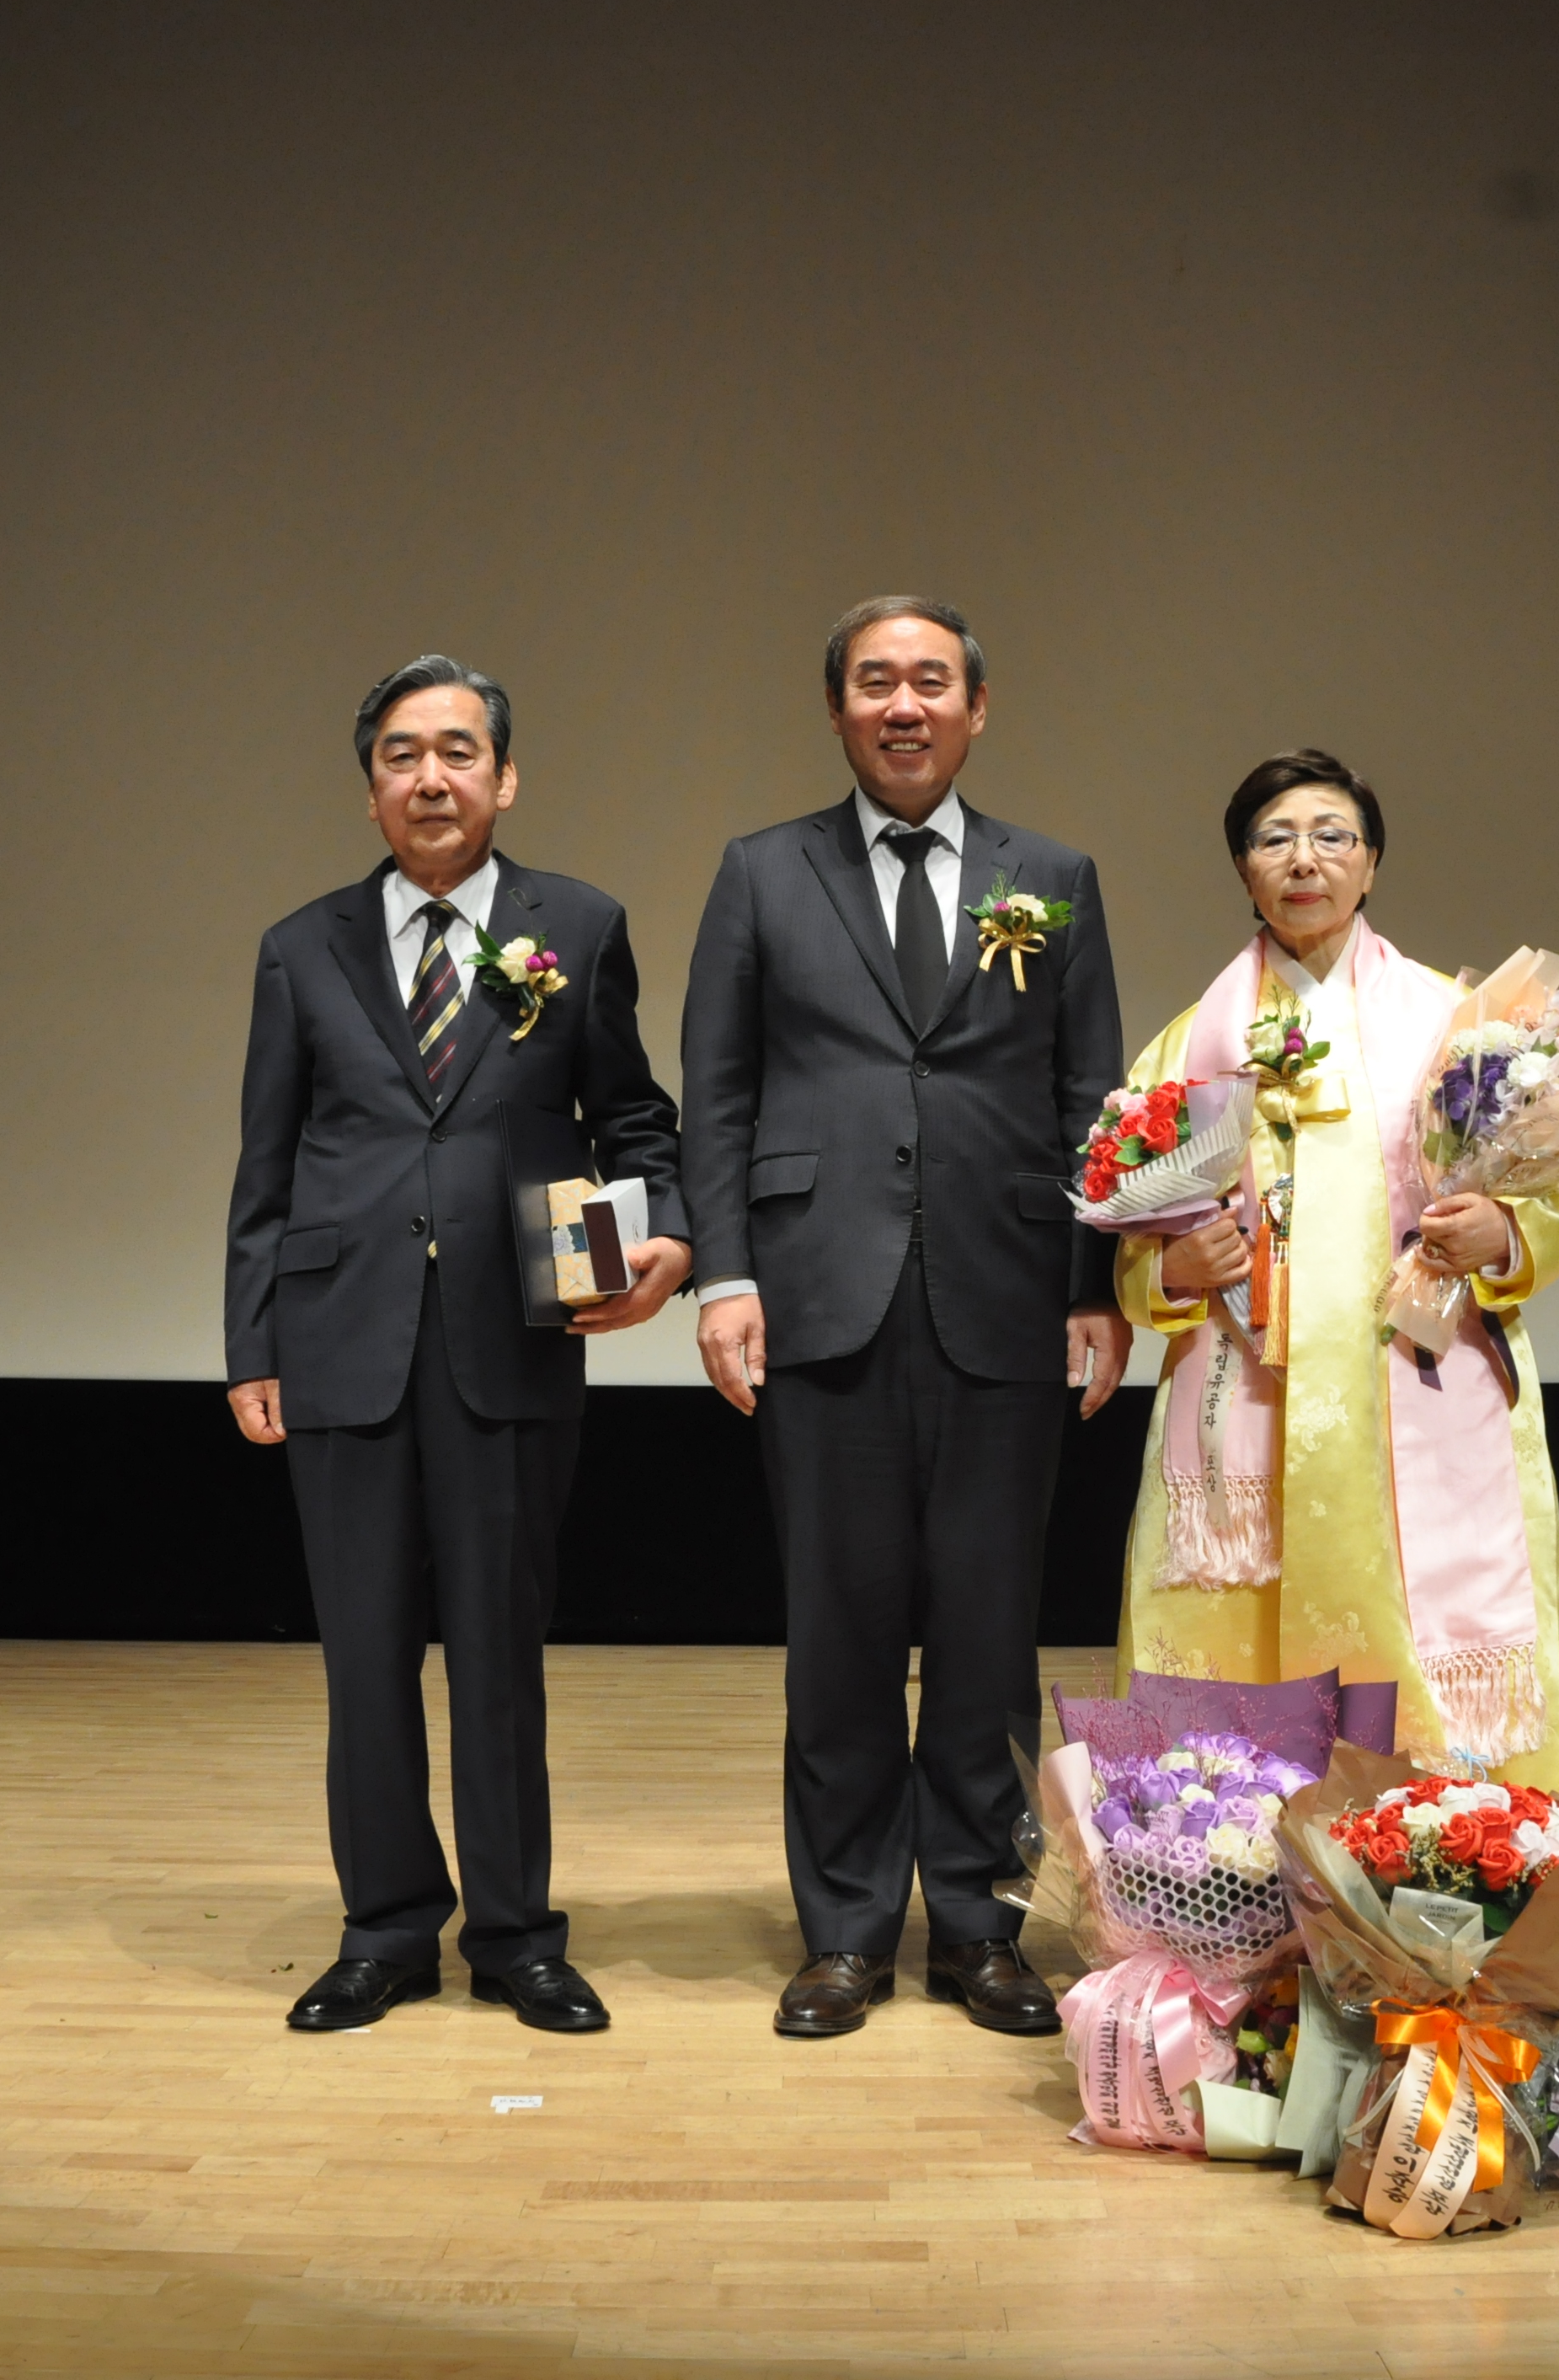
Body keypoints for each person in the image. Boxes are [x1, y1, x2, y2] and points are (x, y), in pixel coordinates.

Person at [681, 596, 1131, 2038]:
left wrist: (1092, 1287)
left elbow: (1089, 1101)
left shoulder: (1049, 875)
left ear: (975, 707)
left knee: (991, 1633)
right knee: (841, 1629)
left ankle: (984, 1928)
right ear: (836, 709)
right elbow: (721, 1088)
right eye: (874, 680)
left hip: (1003, 1298)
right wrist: (726, 1275)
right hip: (821, 1299)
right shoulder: (762, 871)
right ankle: (847, 1931)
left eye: (928, 680)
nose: (902, 703)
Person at [223, 654, 691, 2034]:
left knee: (499, 1649)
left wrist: (632, 1252)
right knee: (363, 1657)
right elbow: (266, 1160)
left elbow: (635, 1128)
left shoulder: (581, 925)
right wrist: (253, 1338)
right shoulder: (298, 946)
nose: (432, 776)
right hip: (340, 1338)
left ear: (503, 775)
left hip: (514, 1337)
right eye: (402, 755)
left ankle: (514, 1933)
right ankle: (383, 1927)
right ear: (371, 785)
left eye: (458, 751)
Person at [1109, 751, 1559, 1793]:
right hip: (1252, 1396)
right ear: (1242, 870)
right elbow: (1132, 1241)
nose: (1304, 859)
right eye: (1275, 838)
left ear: (1370, 865)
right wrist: (1174, 1268)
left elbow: (1549, 1194)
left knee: (1423, 1627)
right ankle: (1225, 1871)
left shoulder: (1460, 1026)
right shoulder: (1190, 1044)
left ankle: (1450, 1871)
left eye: (1332, 835)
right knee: (1235, 1645)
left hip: (1413, 1383)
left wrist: (1499, 1233)